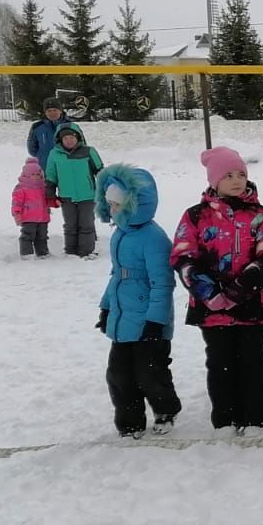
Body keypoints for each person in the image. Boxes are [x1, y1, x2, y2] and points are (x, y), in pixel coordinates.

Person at [170, 147, 263, 435]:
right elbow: (184, 256)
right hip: (211, 309)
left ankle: (256, 420)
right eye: (229, 175)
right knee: (220, 365)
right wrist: (209, 293)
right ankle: (225, 420)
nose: (236, 180)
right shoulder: (195, 216)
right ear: (214, 180)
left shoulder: (261, 215)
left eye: (241, 174)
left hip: (251, 305)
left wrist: (236, 291)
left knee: (253, 364)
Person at [95, 163, 181, 438]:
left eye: (117, 205)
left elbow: (163, 283)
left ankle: (165, 410)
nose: (112, 210)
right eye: (108, 204)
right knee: (119, 375)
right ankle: (130, 421)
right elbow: (117, 276)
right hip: (123, 321)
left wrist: (156, 321)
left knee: (151, 374)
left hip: (148, 323)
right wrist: (107, 307)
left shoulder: (154, 239)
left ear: (134, 204)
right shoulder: (119, 235)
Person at [43, 122, 103, 257]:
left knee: (86, 224)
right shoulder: (54, 154)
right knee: (70, 225)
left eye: (72, 137)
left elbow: (100, 171)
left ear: (78, 138)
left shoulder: (89, 151)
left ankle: (86, 251)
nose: (69, 141)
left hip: (87, 195)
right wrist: (51, 194)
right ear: (60, 140)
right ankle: (71, 251)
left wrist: (106, 188)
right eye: (65, 138)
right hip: (66, 196)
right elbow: (51, 175)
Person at [10, 157, 52, 258]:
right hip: (28, 217)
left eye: (38, 174)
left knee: (42, 236)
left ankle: (42, 253)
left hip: (42, 218)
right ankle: (27, 254)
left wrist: (52, 204)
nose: (36, 177)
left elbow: (48, 199)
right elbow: (16, 202)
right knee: (28, 236)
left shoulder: (43, 187)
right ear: (26, 175)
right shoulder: (22, 188)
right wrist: (17, 213)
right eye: (33, 174)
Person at [26, 97, 73, 172]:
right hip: (45, 168)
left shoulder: (71, 125)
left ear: (60, 111)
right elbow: (32, 149)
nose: (52, 113)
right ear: (45, 112)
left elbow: (80, 146)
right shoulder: (37, 127)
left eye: (55, 110)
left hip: (66, 168)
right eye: (49, 111)